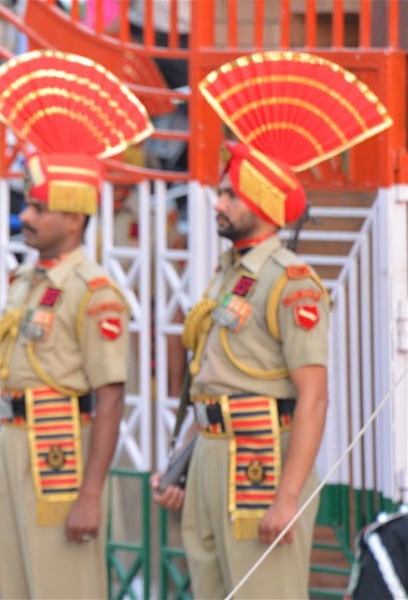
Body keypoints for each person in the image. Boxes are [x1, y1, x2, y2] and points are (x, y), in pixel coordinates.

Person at [151, 51, 393, 599]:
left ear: (260, 199)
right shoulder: (225, 275)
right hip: (211, 453)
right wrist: (184, 463)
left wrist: (287, 498)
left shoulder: (293, 283)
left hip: (261, 459)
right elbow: (214, 379)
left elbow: (313, 399)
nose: (217, 202)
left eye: (230, 193)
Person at [0, 50, 152, 599]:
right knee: (19, 588)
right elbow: (11, 385)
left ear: (74, 217)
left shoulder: (94, 292)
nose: (25, 216)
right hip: (12, 444)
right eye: (28, 204)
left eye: (40, 207)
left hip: (60, 450)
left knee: (64, 589)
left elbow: (111, 396)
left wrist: (92, 493)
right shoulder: (27, 280)